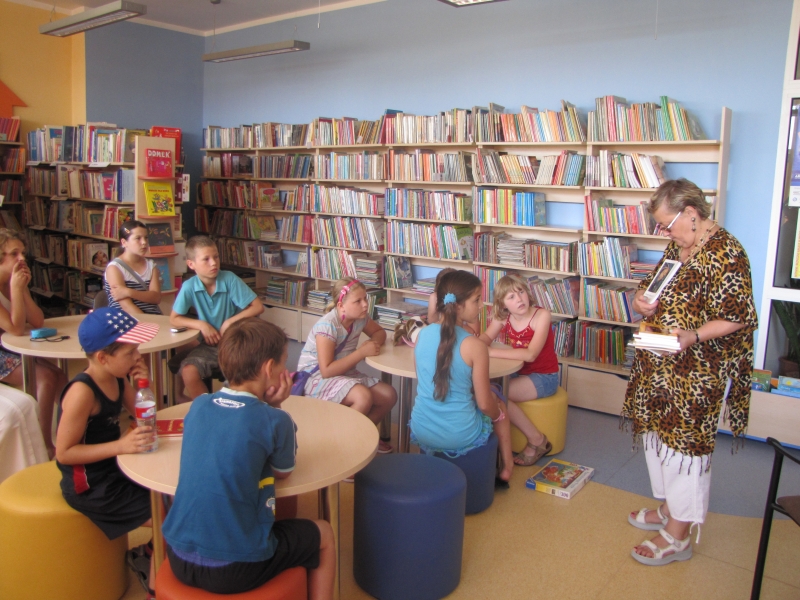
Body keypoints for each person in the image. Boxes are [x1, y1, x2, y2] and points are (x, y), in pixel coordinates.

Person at [623, 178, 758, 566]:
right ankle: (670, 508)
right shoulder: (680, 245)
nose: (664, 233)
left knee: (684, 448)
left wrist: (694, 335)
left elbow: (738, 316)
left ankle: (678, 535)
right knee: (658, 439)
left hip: (697, 371)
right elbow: (654, 285)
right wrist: (641, 299)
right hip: (659, 363)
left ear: (692, 214)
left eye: (667, 225)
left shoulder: (727, 252)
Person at [162, 318, 335, 598]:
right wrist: (276, 406)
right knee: (324, 533)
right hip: (236, 567)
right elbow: (283, 471)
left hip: (177, 556)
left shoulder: (198, 405)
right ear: (269, 368)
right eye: (283, 363)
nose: (286, 370)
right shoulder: (275, 420)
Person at [55, 308, 159, 593]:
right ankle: (154, 586)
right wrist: (120, 446)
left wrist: (144, 383)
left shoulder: (117, 377)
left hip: (115, 468)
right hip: (91, 486)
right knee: (169, 517)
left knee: (171, 498)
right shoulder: (82, 392)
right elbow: (63, 453)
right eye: (130, 352)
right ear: (103, 358)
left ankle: (148, 553)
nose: (138, 356)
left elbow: (146, 416)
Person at [410, 270, 514, 482]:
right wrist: (497, 416)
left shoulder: (422, 335)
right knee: (498, 403)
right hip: (459, 434)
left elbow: (425, 381)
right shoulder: (475, 346)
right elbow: (484, 404)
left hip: (421, 428)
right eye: (477, 300)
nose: (482, 305)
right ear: (458, 306)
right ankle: (507, 467)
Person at [297, 278, 396, 454]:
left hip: (344, 373)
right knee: (363, 397)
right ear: (341, 306)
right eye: (358, 301)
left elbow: (379, 332)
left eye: (365, 299)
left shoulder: (360, 318)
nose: (365, 305)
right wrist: (361, 353)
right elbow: (326, 370)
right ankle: (341, 447)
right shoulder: (327, 326)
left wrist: (372, 343)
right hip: (315, 379)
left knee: (388, 395)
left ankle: (362, 435)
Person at [169, 236, 264, 402]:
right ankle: (207, 409)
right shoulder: (189, 286)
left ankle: (235, 406)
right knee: (189, 371)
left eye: (216, 257)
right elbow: (174, 318)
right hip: (211, 345)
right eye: (206, 259)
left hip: (236, 343)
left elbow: (257, 307)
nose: (213, 263)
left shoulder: (229, 279)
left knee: (238, 377)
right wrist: (201, 325)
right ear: (191, 264)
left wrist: (229, 322)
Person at [479, 274, 559, 466]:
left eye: (521, 292)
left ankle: (537, 440)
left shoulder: (541, 316)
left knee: (496, 395)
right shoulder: (504, 317)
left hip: (545, 377)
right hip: (519, 373)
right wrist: (471, 346)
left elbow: (530, 355)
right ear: (503, 304)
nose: (519, 299)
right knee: (483, 389)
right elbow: (484, 340)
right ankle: (490, 438)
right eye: (511, 297)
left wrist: (491, 352)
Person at [0, 229, 67, 455]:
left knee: (59, 376)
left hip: (10, 347)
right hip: (3, 351)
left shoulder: (15, 280)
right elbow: (16, 328)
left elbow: (37, 320)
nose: (22, 258)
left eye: (23, 253)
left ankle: (74, 433)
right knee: (45, 378)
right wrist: (16, 289)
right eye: (14, 254)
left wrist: (21, 290)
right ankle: (44, 445)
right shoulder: (12, 284)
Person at [104, 220, 162, 315]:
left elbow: (156, 298)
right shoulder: (114, 268)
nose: (144, 242)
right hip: (125, 318)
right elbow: (126, 306)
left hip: (152, 317)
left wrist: (129, 292)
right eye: (138, 238)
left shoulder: (151, 266)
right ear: (124, 242)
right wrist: (146, 322)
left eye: (146, 238)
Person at [427, 267, 480, 334]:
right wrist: (433, 299)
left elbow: (474, 331)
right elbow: (431, 323)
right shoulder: (436, 300)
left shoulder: (467, 306)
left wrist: (453, 325)